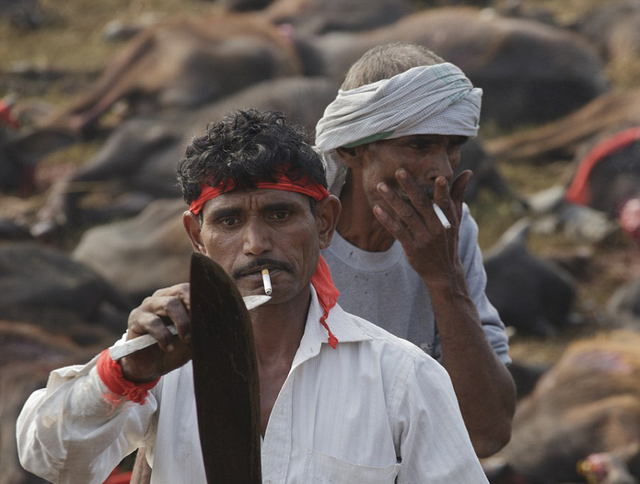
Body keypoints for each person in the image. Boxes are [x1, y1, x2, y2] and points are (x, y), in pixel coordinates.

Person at [17, 109, 490, 484]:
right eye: (228, 221)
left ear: (324, 224)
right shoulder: (161, 361)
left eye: (280, 215)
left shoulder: (400, 376)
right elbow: (48, 458)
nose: (256, 244)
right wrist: (126, 372)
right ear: (196, 236)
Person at [314, 42, 516, 457]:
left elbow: (487, 432)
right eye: (419, 146)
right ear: (353, 149)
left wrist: (445, 279)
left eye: (451, 147)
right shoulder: (296, 235)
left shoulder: (452, 234)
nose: (442, 170)